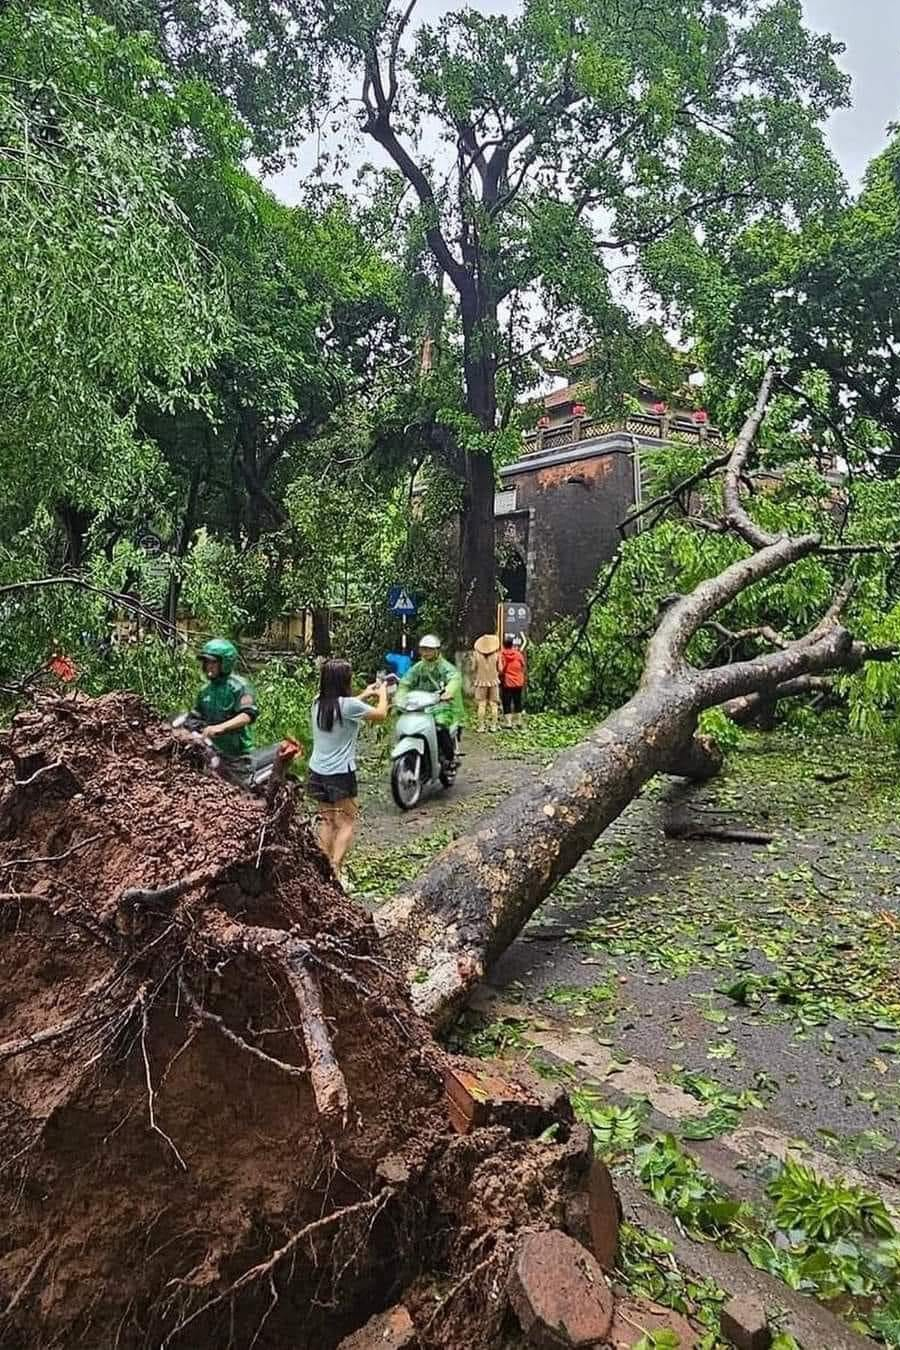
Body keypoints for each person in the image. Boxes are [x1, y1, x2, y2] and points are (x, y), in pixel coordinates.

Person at [307, 659, 389, 877]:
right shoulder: (349, 706)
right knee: (346, 822)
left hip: (317, 771)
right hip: (340, 773)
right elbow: (381, 715)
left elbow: (343, 706)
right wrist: (382, 694)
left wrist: (364, 694)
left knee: (326, 821)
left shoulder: (318, 702)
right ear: (344, 681)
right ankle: (335, 870)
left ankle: (323, 871)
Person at [396, 634, 463, 766]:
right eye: (423, 649)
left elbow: (454, 678)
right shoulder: (418, 667)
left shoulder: (445, 667)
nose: (425, 652)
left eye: (429, 649)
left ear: (437, 650)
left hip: (442, 704)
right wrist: (400, 697)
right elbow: (405, 682)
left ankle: (450, 758)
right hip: (421, 704)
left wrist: (448, 691)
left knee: (440, 725)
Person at [192, 638, 258, 766]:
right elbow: (196, 717)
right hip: (212, 753)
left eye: (213, 662)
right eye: (206, 662)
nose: (208, 666)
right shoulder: (205, 690)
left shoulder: (239, 686)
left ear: (225, 663)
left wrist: (220, 728)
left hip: (238, 754)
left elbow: (247, 715)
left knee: (240, 785)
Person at [472, 633, 501, 733]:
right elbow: (500, 669)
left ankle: (481, 727)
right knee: (494, 705)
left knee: (481, 704)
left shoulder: (476, 654)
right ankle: (493, 726)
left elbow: (473, 668)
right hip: (494, 682)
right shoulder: (497, 654)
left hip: (481, 682)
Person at [499, 634, 527, 730]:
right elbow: (523, 665)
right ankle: (519, 722)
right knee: (517, 701)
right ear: (512, 644)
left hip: (507, 682)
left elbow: (501, 669)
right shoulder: (518, 654)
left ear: (503, 645)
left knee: (506, 702)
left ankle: (508, 723)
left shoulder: (502, 655)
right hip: (518, 682)